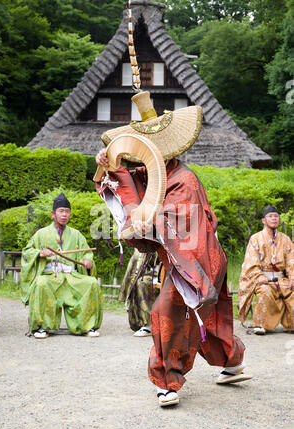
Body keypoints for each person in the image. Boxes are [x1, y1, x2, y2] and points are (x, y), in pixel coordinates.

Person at [95, 90, 252, 407]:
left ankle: (167, 381)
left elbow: (173, 222)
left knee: (166, 311)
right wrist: (105, 165)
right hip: (186, 260)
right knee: (204, 318)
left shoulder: (184, 179)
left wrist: (142, 223)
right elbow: (121, 179)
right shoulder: (150, 174)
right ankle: (233, 362)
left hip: (198, 260)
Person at [20, 192, 103, 339]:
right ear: (53, 214)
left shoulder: (77, 234)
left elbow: (87, 254)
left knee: (91, 283)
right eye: (61, 211)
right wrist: (40, 253)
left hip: (71, 276)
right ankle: (42, 327)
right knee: (40, 283)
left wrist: (88, 262)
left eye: (67, 211)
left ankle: (86, 326)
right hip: (50, 276)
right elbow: (27, 252)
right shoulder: (41, 234)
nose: (65, 215)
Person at [238, 205, 294, 335]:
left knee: (291, 291)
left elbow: (291, 261)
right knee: (265, 292)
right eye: (270, 216)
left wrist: (292, 277)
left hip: (281, 279)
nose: (274, 219)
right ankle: (260, 324)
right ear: (264, 220)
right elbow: (251, 262)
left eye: (276, 216)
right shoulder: (255, 239)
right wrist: (259, 276)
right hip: (263, 279)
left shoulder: (285, 239)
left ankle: (291, 325)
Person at [118, 248, 160, 337]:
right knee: (141, 282)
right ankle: (147, 324)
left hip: (173, 272)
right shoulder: (145, 241)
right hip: (154, 274)